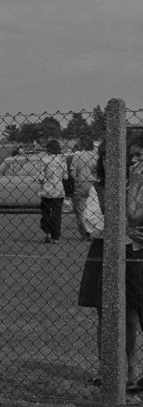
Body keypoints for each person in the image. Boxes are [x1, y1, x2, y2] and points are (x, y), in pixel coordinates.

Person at [77, 138, 143, 391]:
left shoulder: (135, 186)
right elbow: (93, 224)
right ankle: (107, 370)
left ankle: (130, 373)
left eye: (114, 156)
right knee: (105, 314)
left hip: (133, 254)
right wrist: (124, 225)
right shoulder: (99, 188)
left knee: (132, 315)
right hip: (103, 253)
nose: (109, 161)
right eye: (104, 156)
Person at [67, 137, 99, 240]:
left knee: (80, 210)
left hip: (81, 183)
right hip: (94, 184)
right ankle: (94, 229)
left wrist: (77, 179)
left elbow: (72, 171)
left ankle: (85, 232)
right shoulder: (96, 156)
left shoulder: (78, 156)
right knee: (94, 208)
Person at [38, 139, 66, 244]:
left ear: (48, 149)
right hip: (59, 190)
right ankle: (56, 237)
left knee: (46, 213)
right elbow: (66, 176)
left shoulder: (44, 160)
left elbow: (41, 178)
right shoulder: (62, 160)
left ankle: (47, 232)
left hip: (46, 190)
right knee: (57, 214)